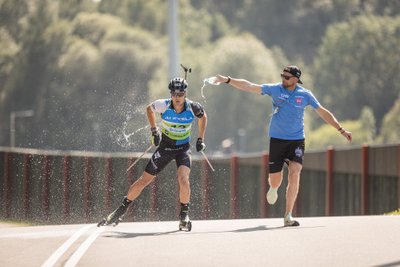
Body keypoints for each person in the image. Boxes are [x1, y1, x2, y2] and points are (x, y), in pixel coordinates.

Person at [213, 66, 352, 226]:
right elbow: (249, 86)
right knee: (275, 181)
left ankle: (288, 215)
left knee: (295, 173)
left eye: (287, 77)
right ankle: (273, 188)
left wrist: (341, 130)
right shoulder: (275, 89)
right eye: (282, 76)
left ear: (295, 79)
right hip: (277, 140)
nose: (283, 79)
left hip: (297, 140)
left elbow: (322, 112)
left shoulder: (305, 94)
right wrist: (228, 80)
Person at [98, 77, 207, 231]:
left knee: (183, 179)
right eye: (174, 94)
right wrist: (154, 130)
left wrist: (200, 138)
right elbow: (149, 108)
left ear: (185, 93)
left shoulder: (193, 108)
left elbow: (203, 117)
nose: (177, 97)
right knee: (144, 180)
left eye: (181, 94)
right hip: (165, 147)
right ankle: (120, 210)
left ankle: (184, 215)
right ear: (171, 94)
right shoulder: (163, 105)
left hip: (183, 148)